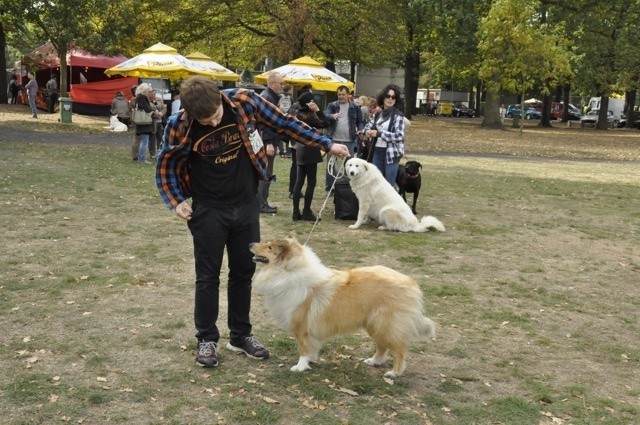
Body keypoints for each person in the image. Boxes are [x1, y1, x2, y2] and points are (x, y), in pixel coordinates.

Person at [155, 76, 349, 368]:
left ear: (221, 98)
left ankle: (241, 335)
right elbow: (166, 163)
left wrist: (325, 143)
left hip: (246, 203)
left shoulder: (245, 101)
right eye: (203, 120)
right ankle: (207, 338)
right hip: (208, 209)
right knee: (207, 276)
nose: (210, 123)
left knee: (243, 271)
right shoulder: (179, 124)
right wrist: (176, 200)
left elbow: (286, 123)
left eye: (215, 116)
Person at [292, 91, 330, 222]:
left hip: (299, 149)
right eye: (313, 101)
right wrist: (318, 111)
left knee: (299, 182)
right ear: (309, 103)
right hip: (310, 150)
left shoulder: (298, 115)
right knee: (311, 182)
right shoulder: (310, 116)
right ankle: (307, 211)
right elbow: (325, 123)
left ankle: (296, 212)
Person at [362, 84, 406, 186]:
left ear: (396, 100)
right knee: (375, 183)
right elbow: (367, 127)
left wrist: (379, 133)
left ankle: (393, 202)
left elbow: (399, 136)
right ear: (383, 97)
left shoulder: (398, 115)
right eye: (388, 96)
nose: (390, 99)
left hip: (391, 154)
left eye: (393, 97)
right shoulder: (378, 114)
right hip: (377, 151)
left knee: (389, 185)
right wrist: (367, 132)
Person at [324, 85, 363, 192]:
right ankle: (330, 187)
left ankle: (346, 185)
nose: (341, 97)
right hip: (333, 139)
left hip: (349, 140)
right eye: (339, 94)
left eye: (343, 94)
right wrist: (332, 116)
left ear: (348, 95)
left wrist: (360, 130)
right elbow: (324, 115)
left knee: (349, 164)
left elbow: (360, 121)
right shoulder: (332, 105)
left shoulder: (355, 107)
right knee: (331, 164)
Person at [256, 72, 285, 214]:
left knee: (265, 172)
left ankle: (261, 202)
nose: (282, 86)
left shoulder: (268, 96)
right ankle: (261, 204)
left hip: (268, 139)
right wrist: (268, 142)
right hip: (266, 141)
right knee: (265, 173)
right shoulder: (268, 98)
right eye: (281, 83)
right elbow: (264, 122)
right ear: (272, 83)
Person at [133, 83, 159, 165]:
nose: (149, 93)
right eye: (148, 91)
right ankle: (142, 159)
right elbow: (147, 108)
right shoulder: (142, 97)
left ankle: (141, 158)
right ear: (144, 90)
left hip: (141, 122)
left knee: (142, 141)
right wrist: (153, 110)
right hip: (144, 123)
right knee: (144, 141)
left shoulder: (138, 97)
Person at [278, 84, 293, 158]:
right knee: (288, 135)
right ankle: (288, 152)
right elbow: (292, 108)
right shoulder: (291, 98)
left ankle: (281, 151)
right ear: (289, 90)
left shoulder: (279, 96)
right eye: (291, 89)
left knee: (278, 134)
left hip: (279, 117)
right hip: (288, 117)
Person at [151, 91, 167, 157]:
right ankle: (152, 153)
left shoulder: (159, 99)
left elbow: (164, 108)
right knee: (152, 138)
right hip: (152, 121)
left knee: (160, 137)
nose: (154, 95)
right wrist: (157, 114)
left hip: (160, 121)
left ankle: (159, 151)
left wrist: (162, 113)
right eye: (152, 94)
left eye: (154, 94)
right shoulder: (149, 101)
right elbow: (150, 111)